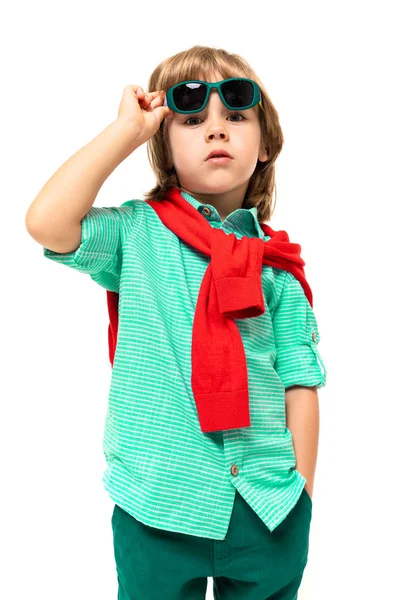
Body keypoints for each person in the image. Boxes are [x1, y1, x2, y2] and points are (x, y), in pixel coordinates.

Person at [25, 45, 328, 600]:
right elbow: (48, 223)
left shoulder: (277, 269)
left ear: (265, 147)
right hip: (157, 504)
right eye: (191, 119)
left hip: (266, 506)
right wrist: (126, 131)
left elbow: (300, 383)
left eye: (236, 116)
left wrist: (301, 496)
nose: (217, 130)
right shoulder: (134, 236)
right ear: (163, 147)